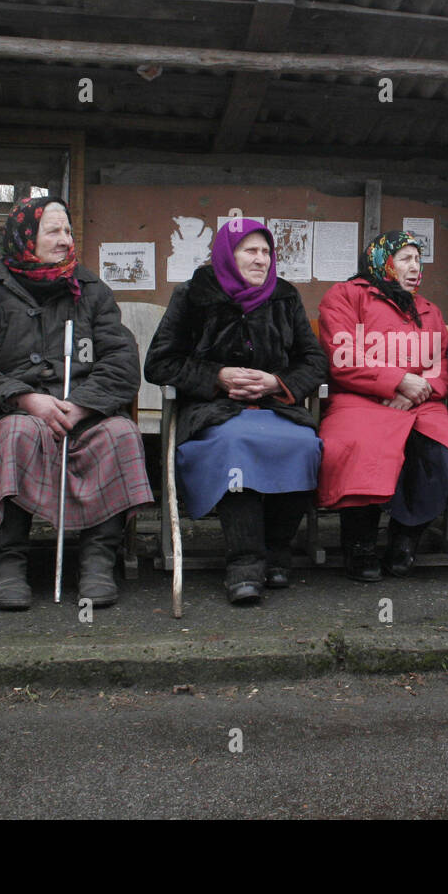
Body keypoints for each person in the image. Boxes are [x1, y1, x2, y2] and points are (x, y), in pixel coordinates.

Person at [0, 196, 153, 611]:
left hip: (84, 412)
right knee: (20, 433)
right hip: (14, 414)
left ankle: (97, 561)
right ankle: (7, 563)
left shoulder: (91, 291)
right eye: (53, 232)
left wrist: (83, 405)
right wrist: (24, 398)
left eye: (68, 232)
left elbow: (123, 362)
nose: (65, 241)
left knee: (121, 433)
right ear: (25, 237)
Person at [143, 218, 327, 605]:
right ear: (228, 254)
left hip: (275, 408)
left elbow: (313, 361)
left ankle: (276, 552)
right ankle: (244, 564)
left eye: (266, 252)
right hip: (214, 411)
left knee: (305, 445)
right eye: (250, 251)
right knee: (237, 445)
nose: (261, 260)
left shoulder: (285, 297)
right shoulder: (194, 294)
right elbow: (160, 363)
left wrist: (277, 383)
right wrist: (217, 376)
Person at [317, 230, 448, 581]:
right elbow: (343, 358)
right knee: (359, 446)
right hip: (359, 401)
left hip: (421, 404)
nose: (415, 267)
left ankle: (405, 538)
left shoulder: (429, 310)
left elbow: (443, 369)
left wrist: (417, 390)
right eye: (406, 258)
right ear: (382, 261)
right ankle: (359, 545)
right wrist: (397, 380)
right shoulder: (345, 296)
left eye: (418, 260)